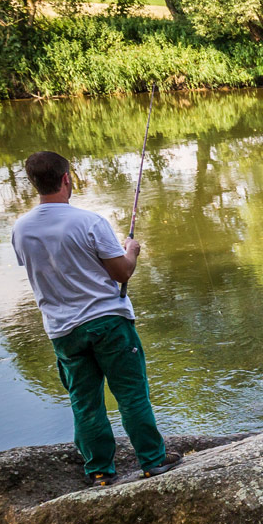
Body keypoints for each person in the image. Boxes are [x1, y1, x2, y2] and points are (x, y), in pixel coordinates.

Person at [11, 151, 179, 488]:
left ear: (33, 183)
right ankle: (152, 462)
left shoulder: (21, 229)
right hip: (108, 323)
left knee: (85, 402)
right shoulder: (89, 222)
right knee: (131, 394)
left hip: (63, 332)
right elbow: (121, 272)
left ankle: (100, 472)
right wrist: (130, 249)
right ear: (66, 179)